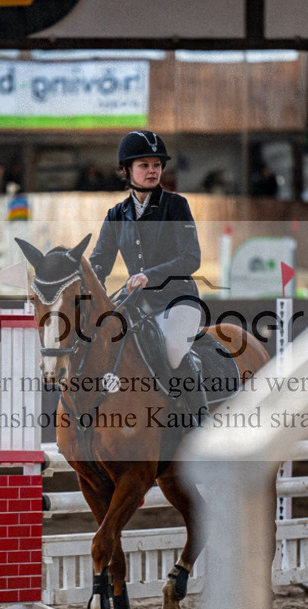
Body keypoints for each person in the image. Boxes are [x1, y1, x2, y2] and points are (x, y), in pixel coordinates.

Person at [89, 130, 207, 422]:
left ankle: (200, 421)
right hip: (138, 304)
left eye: (157, 164)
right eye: (145, 165)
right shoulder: (116, 215)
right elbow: (99, 263)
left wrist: (148, 275)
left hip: (178, 301)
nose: (153, 170)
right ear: (127, 170)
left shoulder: (175, 206)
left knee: (175, 351)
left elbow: (191, 258)